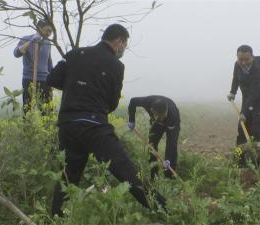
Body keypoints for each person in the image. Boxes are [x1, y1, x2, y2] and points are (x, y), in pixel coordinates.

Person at [46, 24, 166, 217]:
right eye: (125, 46)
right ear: (119, 42)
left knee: (68, 178)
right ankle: (164, 210)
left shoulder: (74, 54)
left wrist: (74, 89)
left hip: (68, 125)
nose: (123, 50)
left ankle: (56, 218)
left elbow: (51, 79)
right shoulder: (116, 65)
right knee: (126, 172)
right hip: (95, 127)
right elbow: (111, 103)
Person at [227, 45, 260, 147]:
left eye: (246, 59)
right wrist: (233, 92)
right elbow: (236, 78)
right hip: (247, 98)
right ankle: (240, 159)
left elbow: (255, 92)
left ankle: (256, 160)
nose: (243, 63)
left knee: (257, 129)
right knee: (243, 127)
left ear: (252, 56)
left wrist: (244, 112)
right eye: (240, 59)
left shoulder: (258, 69)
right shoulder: (237, 65)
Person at [128, 96, 180, 179]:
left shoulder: (172, 115)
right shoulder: (147, 102)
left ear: (166, 110)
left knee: (172, 149)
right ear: (152, 111)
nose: (162, 118)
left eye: (164, 115)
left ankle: (169, 177)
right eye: (160, 116)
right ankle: (154, 175)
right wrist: (131, 120)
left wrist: (169, 159)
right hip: (156, 123)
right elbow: (133, 101)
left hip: (172, 122)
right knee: (152, 145)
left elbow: (171, 142)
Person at [13, 19, 53, 114]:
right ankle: (29, 128)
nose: (49, 33)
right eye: (47, 30)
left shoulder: (48, 43)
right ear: (39, 28)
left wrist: (52, 77)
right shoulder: (26, 39)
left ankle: (46, 128)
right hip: (29, 79)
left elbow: (49, 62)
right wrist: (31, 42)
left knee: (47, 111)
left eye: (50, 31)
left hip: (45, 80)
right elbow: (16, 53)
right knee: (28, 110)